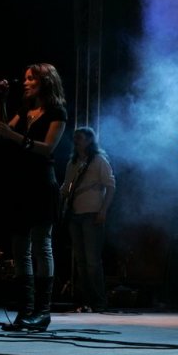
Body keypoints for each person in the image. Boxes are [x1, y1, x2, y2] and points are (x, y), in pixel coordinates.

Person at [0, 63, 67, 331]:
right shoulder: (25, 110)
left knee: (41, 245)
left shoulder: (57, 112)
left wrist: (15, 137)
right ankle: (25, 310)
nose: (25, 83)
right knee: (20, 249)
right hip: (21, 184)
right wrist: (1, 100)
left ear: (44, 82)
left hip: (41, 184)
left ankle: (42, 312)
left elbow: (47, 148)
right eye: (24, 78)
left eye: (30, 78)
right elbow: (2, 132)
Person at [59, 126, 116, 313]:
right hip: (74, 215)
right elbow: (66, 188)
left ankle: (99, 301)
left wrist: (103, 210)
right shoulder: (72, 162)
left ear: (90, 140)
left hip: (92, 214)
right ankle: (86, 301)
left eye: (80, 138)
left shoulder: (99, 160)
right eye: (75, 137)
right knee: (81, 262)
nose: (75, 141)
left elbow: (111, 186)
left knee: (92, 262)